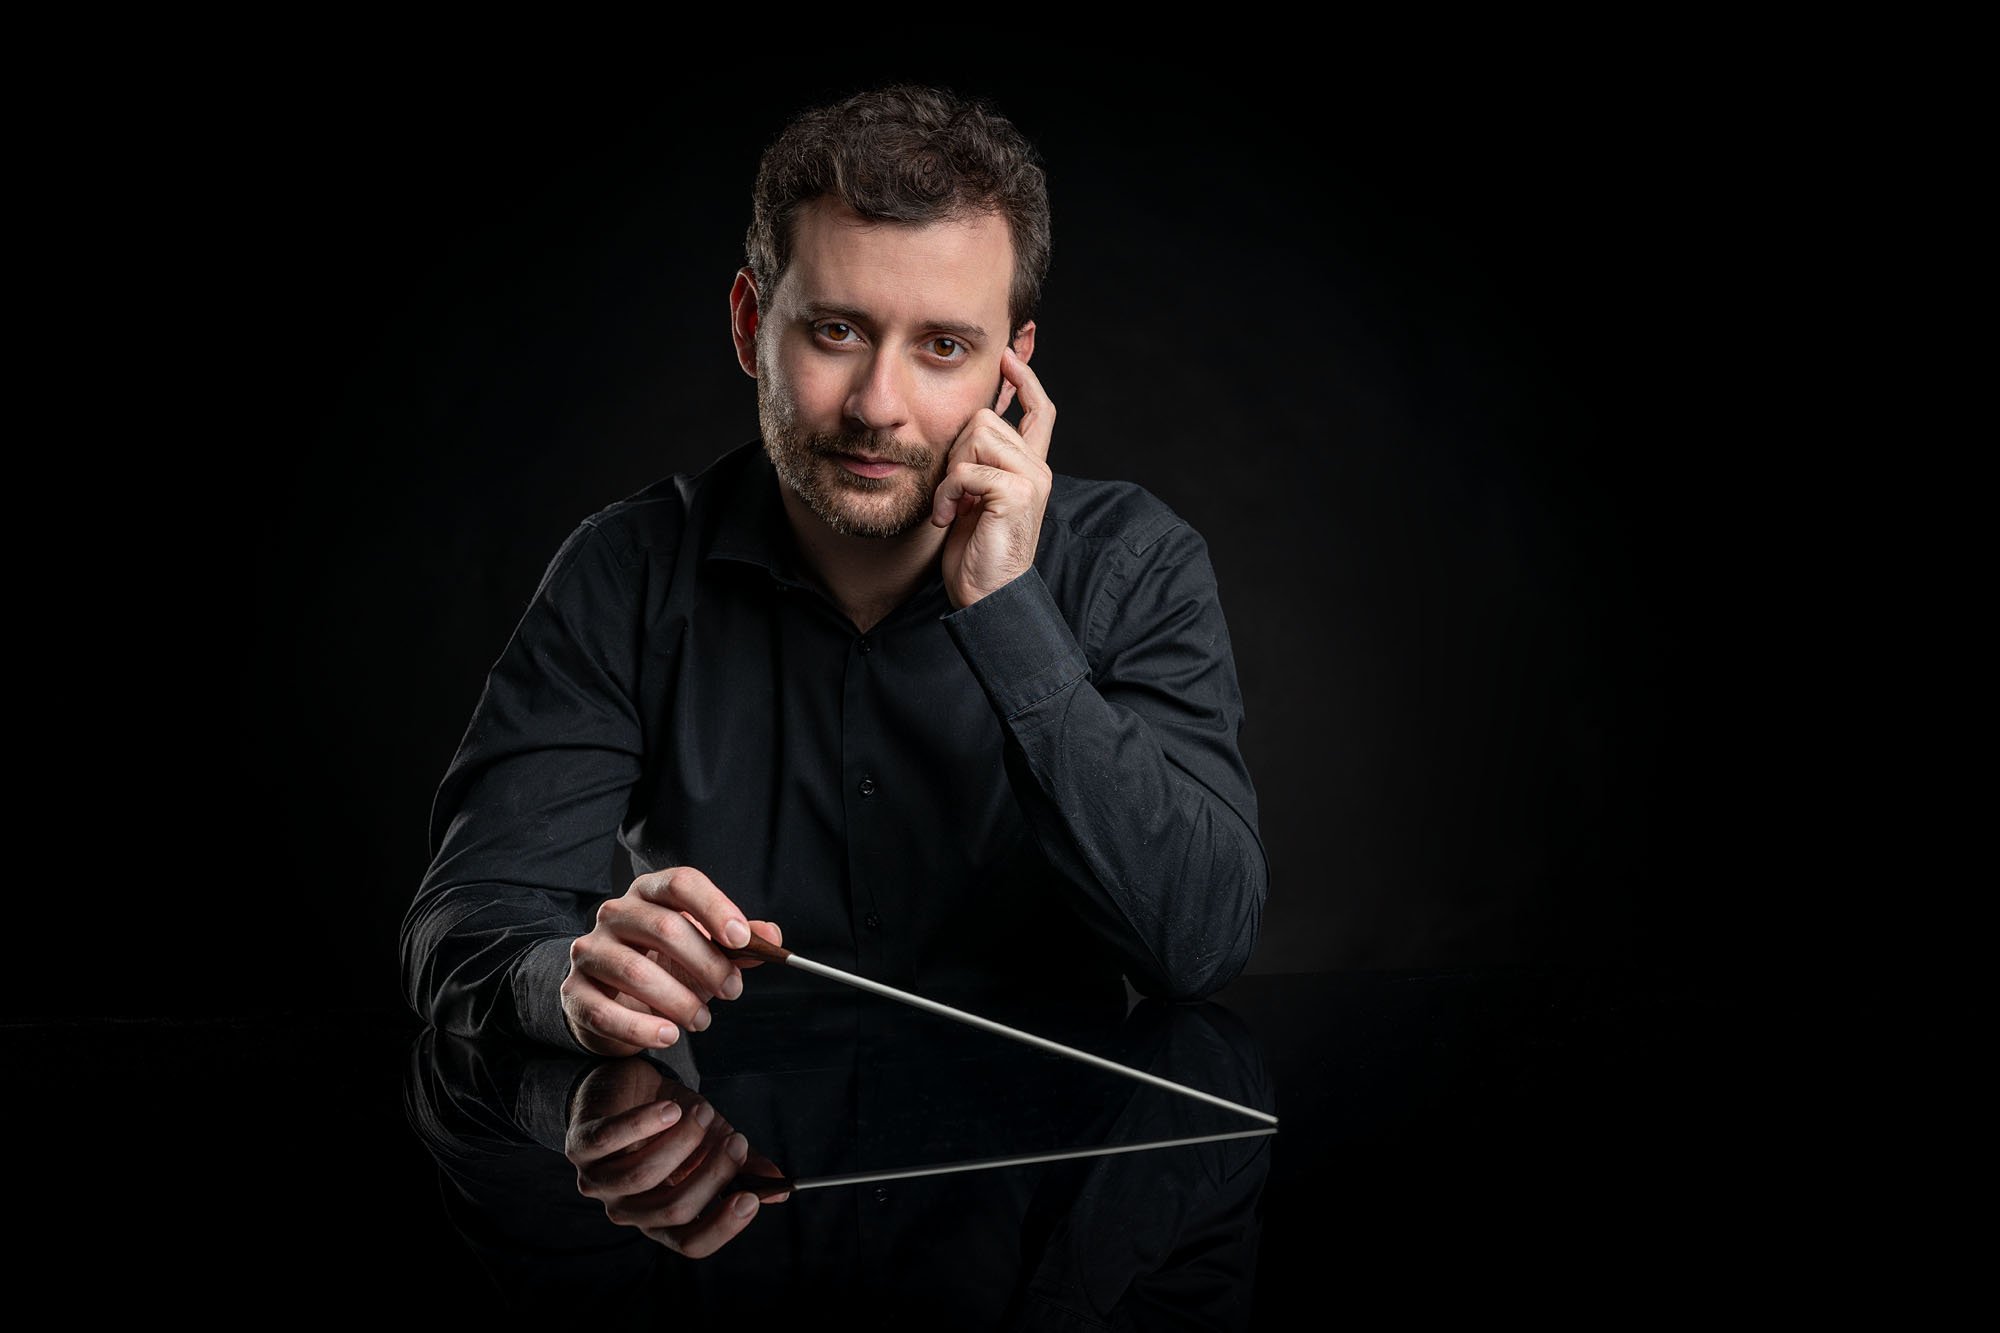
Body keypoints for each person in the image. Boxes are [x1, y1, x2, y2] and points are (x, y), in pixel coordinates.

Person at [401, 83, 1268, 1058]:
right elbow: (465, 922)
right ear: (749, 324)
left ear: (1010, 367)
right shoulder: (625, 572)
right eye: (837, 331)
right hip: (721, 1152)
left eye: (943, 346)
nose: (877, 405)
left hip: (1046, 1146)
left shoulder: (1134, 563)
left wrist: (1008, 610)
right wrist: (565, 981)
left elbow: (1198, 945)